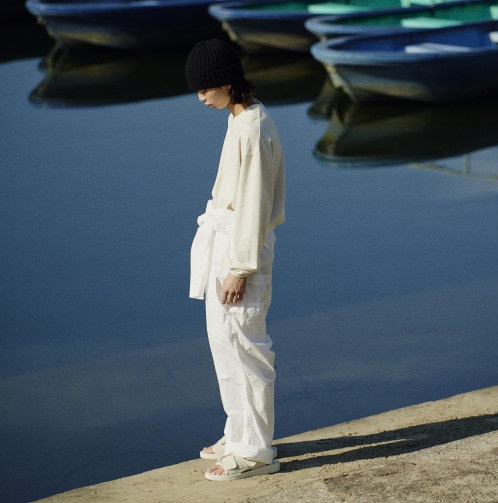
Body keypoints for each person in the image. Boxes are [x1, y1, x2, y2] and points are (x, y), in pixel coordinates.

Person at [185, 38, 285, 482]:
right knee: (224, 345)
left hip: (243, 249)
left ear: (226, 83)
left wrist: (241, 268)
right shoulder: (240, 116)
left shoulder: (254, 128)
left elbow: (255, 205)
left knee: (246, 347)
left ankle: (256, 450)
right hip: (226, 241)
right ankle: (239, 431)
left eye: (205, 88)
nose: (200, 97)